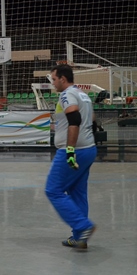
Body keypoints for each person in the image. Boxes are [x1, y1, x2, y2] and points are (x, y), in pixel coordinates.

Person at [45, 64, 97, 250]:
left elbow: (74, 120)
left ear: (63, 79)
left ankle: (83, 226)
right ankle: (79, 237)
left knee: (53, 190)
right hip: (88, 149)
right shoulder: (83, 94)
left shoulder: (67, 94)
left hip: (75, 151)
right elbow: (89, 120)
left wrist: (69, 150)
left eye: (54, 79)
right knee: (77, 192)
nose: (53, 83)